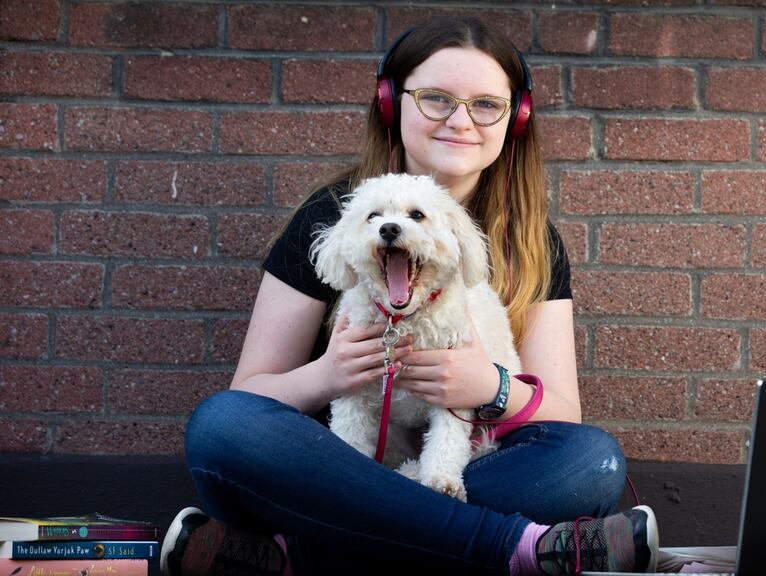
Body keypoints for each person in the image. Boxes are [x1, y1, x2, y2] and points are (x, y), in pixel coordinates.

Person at [160, 16, 659, 576]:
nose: (461, 120)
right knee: (222, 427)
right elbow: (250, 396)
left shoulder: (531, 240)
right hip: (338, 462)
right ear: (391, 103)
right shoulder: (333, 217)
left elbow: (562, 417)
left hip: (458, 463)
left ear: (514, 119)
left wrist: (489, 388)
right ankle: (515, 548)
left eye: (485, 104)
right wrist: (328, 375)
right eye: (435, 98)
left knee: (590, 461)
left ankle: (299, 554)